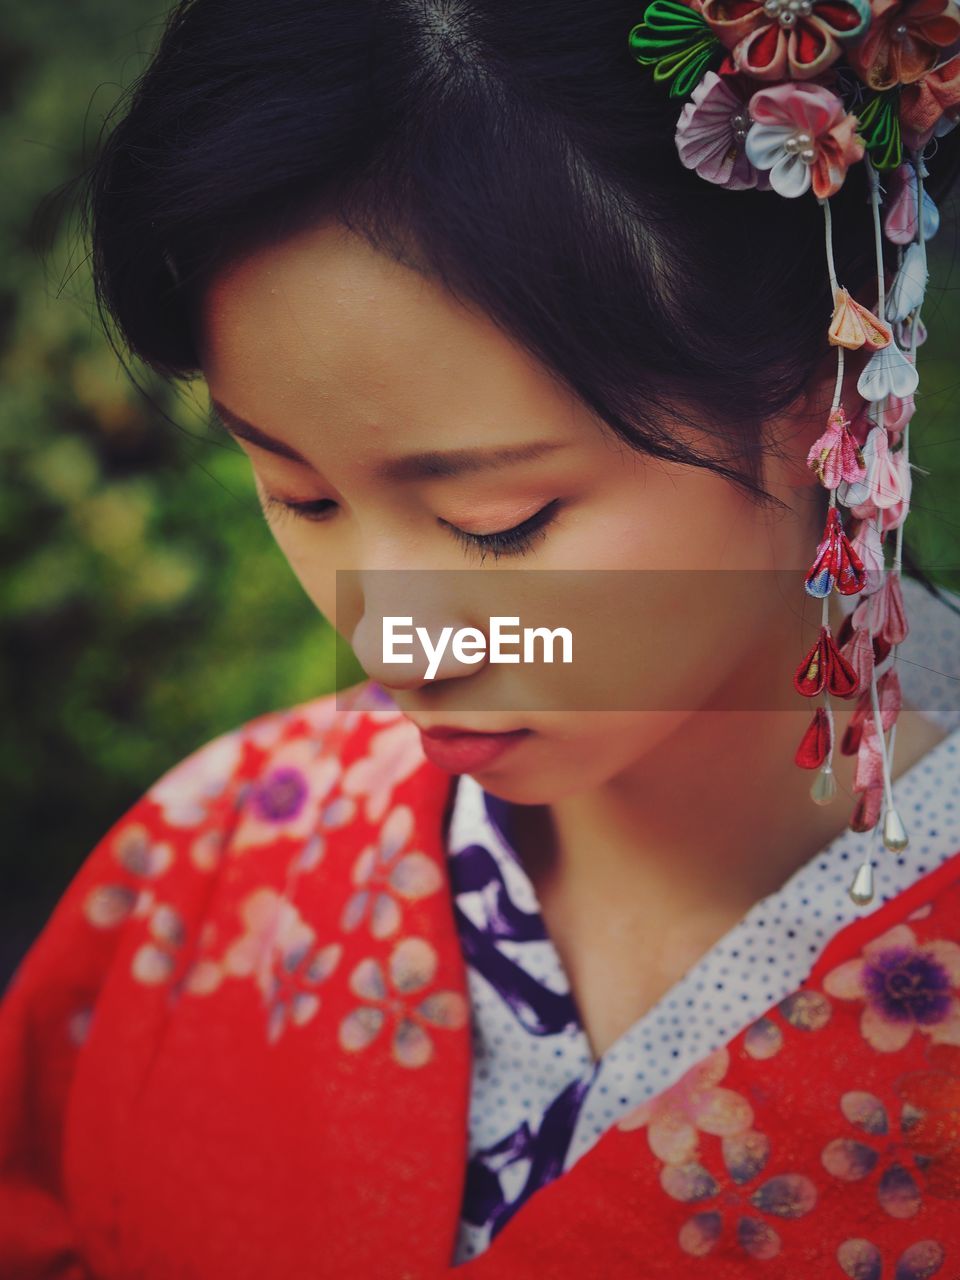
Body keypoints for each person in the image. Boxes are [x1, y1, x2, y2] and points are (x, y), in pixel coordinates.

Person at [3, 0, 960, 1275]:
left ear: (826, 377)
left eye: (497, 521)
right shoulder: (219, 853)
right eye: (299, 493)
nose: (389, 642)